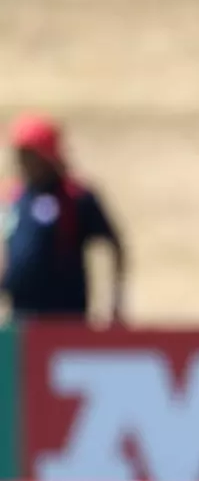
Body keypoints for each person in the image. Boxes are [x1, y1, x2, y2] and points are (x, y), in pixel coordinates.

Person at [2, 113, 126, 323]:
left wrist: (115, 302)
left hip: (65, 316)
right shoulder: (13, 197)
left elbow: (112, 244)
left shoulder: (75, 197)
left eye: (29, 154)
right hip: (19, 315)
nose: (22, 161)